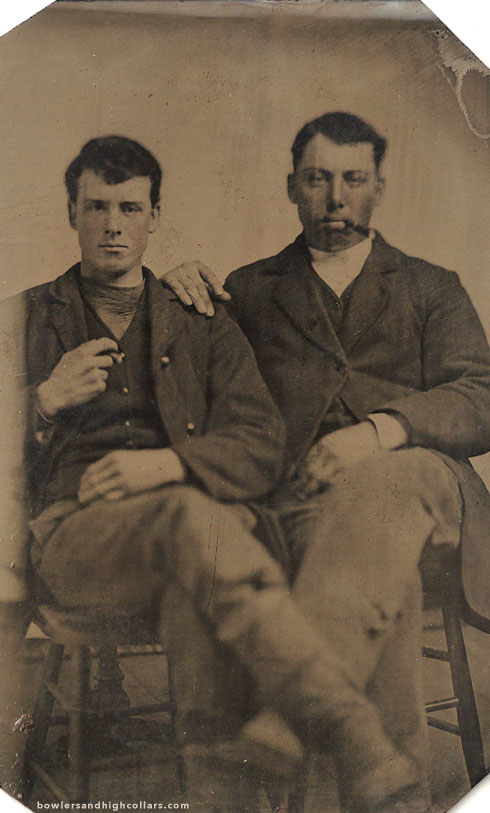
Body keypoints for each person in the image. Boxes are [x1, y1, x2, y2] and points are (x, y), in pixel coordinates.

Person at [0, 134, 435, 812]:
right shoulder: (22, 317)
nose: (113, 225)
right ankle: (350, 729)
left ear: (155, 216)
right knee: (191, 520)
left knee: (194, 580)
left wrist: (168, 463)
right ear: (70, 213)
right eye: (95, 208)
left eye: (129, 208)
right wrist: (46, 399)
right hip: (76, 537)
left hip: (197, 550)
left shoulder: (199, 317)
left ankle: (221, 798)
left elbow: (263, 440)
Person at [162, 112, 490, 810]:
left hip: (426, 491)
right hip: (303, 509)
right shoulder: (249, 290)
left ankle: (286, 719)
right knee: (384, 585)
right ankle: (393, 794)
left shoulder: (433, 286)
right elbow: (191, 391)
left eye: (354, 179)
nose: (336, 198)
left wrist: (378, 431)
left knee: (387, 485)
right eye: (318, 178)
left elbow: (482, 394)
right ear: (292, 187)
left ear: (380, 188)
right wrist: (173, 295)